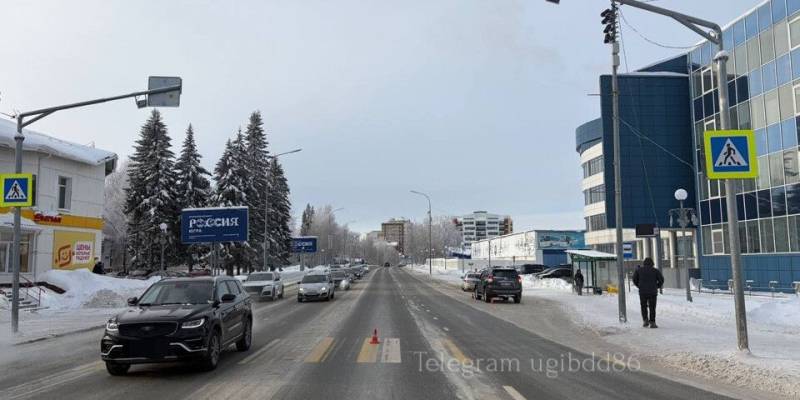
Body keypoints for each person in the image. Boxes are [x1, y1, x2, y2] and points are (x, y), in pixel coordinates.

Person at [632, 257, 664, 328]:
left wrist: (639, 285)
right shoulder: (655, 271)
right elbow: (661, 280)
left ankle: (645, 320)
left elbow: (634, 279)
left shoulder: (639, 270)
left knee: (643, 306)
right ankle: (652, 322)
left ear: (644, 263)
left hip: (642, 292)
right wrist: (657, 286)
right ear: (652, 263)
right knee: (652, 307)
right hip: (652, 292)